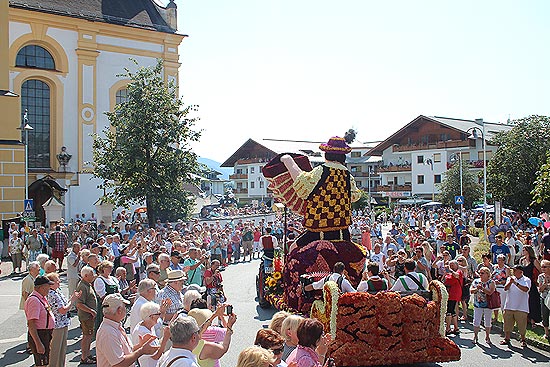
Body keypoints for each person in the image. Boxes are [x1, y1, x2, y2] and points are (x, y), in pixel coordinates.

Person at [280, 135, 361, 247]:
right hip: (343, 233)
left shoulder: (321, 170)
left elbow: (302, 182)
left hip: (318, 232)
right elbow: (355, 196)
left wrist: (288, 161)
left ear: (326, 154)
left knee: (293, 249)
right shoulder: (348, 176)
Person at [97, 294, 159, 367]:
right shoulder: (108, 333)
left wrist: (140, 346)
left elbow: (126, 352)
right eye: (125, 307)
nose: (126, 309)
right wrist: (141, 351)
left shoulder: (114, 327)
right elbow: (119, 364)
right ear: (119, 310)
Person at [45, 272, 81, 367]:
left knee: (62, 349)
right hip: (57, 324)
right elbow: (62, 310)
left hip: (63, 323)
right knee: (56, 349)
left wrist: (72, 299)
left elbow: (64, 305)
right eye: (57, 280)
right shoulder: (52, 294)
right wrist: (72, 301)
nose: (59, 282)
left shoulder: (57, 291)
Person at [24, 275, 55, 367]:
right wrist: (38, 343)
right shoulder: (34, 300)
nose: (49, 288)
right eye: (48, 286)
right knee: (41, 364)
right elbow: (31, 323)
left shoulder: (41, 297)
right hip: (40, 334)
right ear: (41, 287)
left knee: (45, 362)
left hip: (45, 333)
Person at [131, 301, 171, 367]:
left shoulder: (149, 326)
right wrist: (165, 338)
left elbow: (157, 345)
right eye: (158, 314)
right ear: (152, 317)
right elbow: (156, 356)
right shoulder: (142, 332)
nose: (159, 315)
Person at [501, 265, 531, 348]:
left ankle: (523, 339)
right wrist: (510, 282)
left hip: (521, 307)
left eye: (515, 270)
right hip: (509, 305)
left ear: (520, 272)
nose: (513, 272)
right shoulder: (510, 279)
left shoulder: (526, 280)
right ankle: (507, 338)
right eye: (513, 270)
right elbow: (506, 288)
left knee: (522, 325)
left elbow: (526, 289)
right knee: (507, 323)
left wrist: (515, 283)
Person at [76, 266, 98, 364]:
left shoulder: (87, 284)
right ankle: (84, 357)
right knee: (87, 336)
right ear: (85, 276)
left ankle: (88, 354)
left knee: (89, 336)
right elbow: (79, 304)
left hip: (89, 316)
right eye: (91, 275)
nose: (93, 276)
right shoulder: (82, 286)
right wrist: (91, 311)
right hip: (86, 316)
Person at [470, 267, 496, 344]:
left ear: (487, 274)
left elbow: (490, 292)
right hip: (478, 304)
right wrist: (477, 289)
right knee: (476, 320)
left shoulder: (491, 282)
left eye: (482, 273)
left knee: (487, 321)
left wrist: (482, 288)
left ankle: (487, 336)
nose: (480, 274)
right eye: (480, 273)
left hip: (488, 305)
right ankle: (475, 336)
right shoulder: (476, 281)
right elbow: (471, 291)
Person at [519, 245, 542, 327]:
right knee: (524, 301)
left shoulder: (534, 261)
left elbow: (540, 271)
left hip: (531, 283)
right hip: (523, 283)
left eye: (524, 250)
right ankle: (526, 318)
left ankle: (533, 319)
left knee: (532, 301)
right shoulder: (522, 260)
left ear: (528, 251)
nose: (523, 251)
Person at [443, 260, 463, 336]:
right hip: (449, 293)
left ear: (456, 265)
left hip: (454, 293)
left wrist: (450, 270)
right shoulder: (449, 273)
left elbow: (456, 276)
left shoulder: (458, 272)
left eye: (452, 265)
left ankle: (448, 328)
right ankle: (456, 328)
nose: (451, 266)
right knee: (452, 311)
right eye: (450, 265)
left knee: (449, 310)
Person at [491, 254, 510, 322]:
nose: (499, 262)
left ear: (504, 261)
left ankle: (505, 319)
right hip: (495, 287)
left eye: (500, 260)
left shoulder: (506, 268)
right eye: (498, 260)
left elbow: (508, 279)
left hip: (502, 288)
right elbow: (492, 276)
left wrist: (501, 282)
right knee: (495, 303)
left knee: (503, 304)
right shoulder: (495, 267)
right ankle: (495, 317)